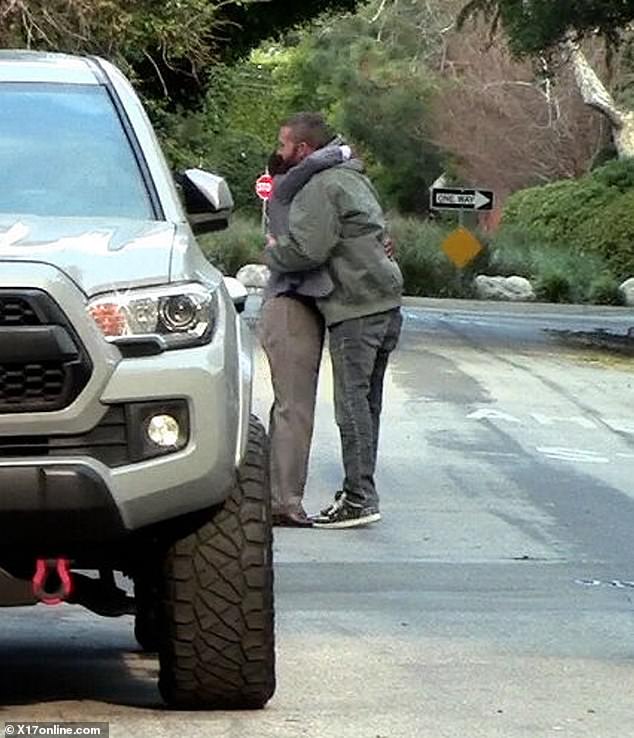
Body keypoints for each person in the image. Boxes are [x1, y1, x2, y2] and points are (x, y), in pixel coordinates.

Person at [264, 112, 403, 530]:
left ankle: (359, 497)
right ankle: (358, 490)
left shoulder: (317, 186)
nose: (278, 152)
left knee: (352, 406)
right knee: (368, 405)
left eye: (284, 144)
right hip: (385, 302)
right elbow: (375, 233)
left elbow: (309, 250)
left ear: (303, 150)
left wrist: (272, 250)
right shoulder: (353, 176)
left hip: (353, 307)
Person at [259, 142, 354, 528]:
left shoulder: (314, 196)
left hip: (305, 304)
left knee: (294, 407)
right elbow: (313, 163)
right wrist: (343, 150)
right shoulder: (287, 187)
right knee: (294, 408)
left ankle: (279, 496)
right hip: (287, 302)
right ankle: (283, 501)